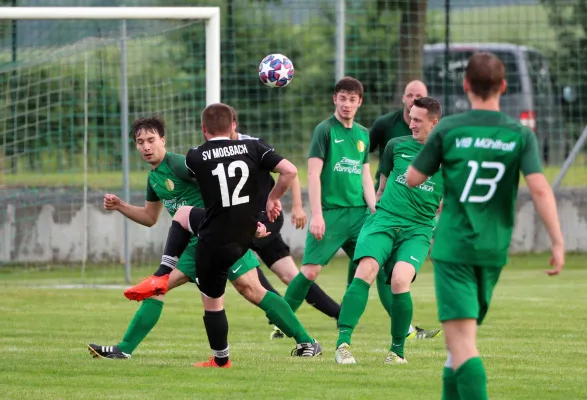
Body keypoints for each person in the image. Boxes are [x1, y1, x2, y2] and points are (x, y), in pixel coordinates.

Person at [406, 52, 564, 399]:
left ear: (466, 86)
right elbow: (539, 188)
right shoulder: (519, 133)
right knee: (456, 345)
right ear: (503, 87)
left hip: (455, 247)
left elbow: (414, 178)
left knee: (462, 345)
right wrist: (556, 242)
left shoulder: (449, 128)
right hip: (493, 249)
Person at [185, 103, 322, 367]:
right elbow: (290, 170)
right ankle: (307, 342)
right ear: (233, 126)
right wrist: (272, 198)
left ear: (204, 129)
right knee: (253, 288)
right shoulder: (253, 147)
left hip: (214, 238)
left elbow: (190, 177)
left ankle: (221, 360)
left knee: (212, 299)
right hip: (246, 233)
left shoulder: (195, 156)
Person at [335, 97, 444, 365]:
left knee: (399, 280)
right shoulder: (396, 146)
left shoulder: (449, 157)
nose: (411, 123)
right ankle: (342, 345)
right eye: (410, 116)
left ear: (435, 123)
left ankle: (397, 352)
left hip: (418, 229)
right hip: (385, 220)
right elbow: (382, 187)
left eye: (418, 119)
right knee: (366, 270)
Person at [282, 77, 377, 320]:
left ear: (359, 103)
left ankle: (350, 320)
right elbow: (313, 174)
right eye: (343, 98)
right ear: (335, 99)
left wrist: (375, 209)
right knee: (310, 271)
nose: (347, 104)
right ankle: (281, 318)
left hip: (359, 214)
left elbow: (365, 176)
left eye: (352, 100)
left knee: (372, 266)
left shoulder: (363, 135)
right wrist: (317, 215)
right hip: (331, 213)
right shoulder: (324, 130)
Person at [369, 80, 440, 340]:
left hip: (413, 217)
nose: (412, 99)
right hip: (382, 208)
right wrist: (372, 194)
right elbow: (358, 156)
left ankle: (403, 331)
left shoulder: (436, 138)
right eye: (409, 95)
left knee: (385, 272)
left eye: (418, 95)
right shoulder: (386, 126)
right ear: (402, 98)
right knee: (368, 268)